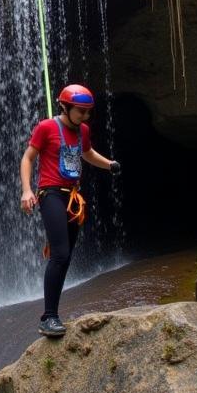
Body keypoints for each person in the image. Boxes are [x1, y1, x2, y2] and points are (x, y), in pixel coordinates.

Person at [19, 85, 121, 338]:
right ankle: (48, 317)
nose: (85, 116)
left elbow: (86, 153)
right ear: (65, 107)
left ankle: (54, 314)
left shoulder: (83, 130)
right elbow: (28, 158)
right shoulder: (46, 128)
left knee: (65, 257)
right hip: (50, 193)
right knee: (60, 253)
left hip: (72, 198)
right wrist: (27, 190)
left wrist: (109, 165)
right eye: (81, 111)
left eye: (88, 112)